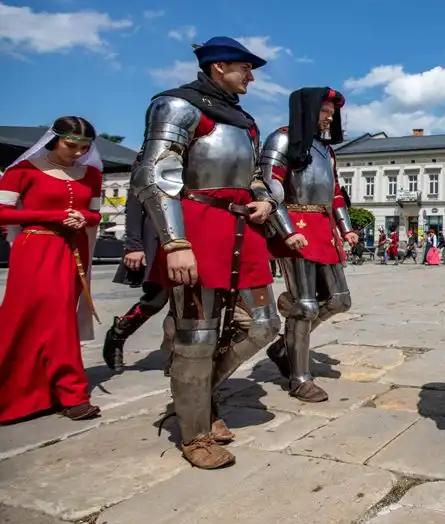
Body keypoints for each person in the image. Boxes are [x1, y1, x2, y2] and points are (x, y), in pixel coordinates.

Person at [132, 36, 287, 469]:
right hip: (196, 228)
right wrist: (175, 243)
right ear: (219, 66)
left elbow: (254, 176)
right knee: (197, 337)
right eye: (245, 68)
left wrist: (264, 200)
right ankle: (195, 433)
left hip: (243, 230)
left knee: (264, 325)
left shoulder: (244, 120)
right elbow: (155, 176)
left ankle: (197, 396)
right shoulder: (177, 106)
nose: (251, 76)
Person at [0, 117, 103, 423]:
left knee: (61, 320)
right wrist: (53, 216)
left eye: (85, 148)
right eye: (71, 146)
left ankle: (67, 393)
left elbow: (95, 214)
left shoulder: (92, 174)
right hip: (35, 249)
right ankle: (20, 392)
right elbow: (2, 212)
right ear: (54, 139)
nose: (78, 153)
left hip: (73, 252)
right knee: (24, 318)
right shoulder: (23, 170)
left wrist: (83, 218)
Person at [260, 87, 357, 403]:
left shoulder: (326, 151)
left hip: (324, 227)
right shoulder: (282, 139)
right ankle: (299, 378)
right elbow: (271, 188)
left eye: (332, 112)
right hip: (296, 224)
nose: (329, 117)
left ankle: (284, 346)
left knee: (340, 300)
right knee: (305, 306)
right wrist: (286, 230)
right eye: (325, 110)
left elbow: (336, 193)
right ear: (308, 109)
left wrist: (346, 228)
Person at [105, 178, 174, 375]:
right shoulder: (150, 159)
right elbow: (135, 203)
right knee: (155, 299)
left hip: (193, 229)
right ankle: (119, 332)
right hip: (158, 232)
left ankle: (178, 356)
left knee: (188, 301)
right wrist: (134, 245)